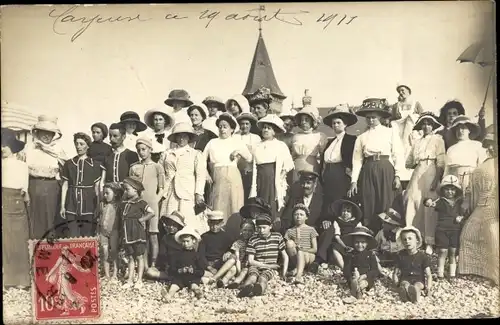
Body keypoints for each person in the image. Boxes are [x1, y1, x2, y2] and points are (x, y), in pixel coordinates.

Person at [348, 98, 404, 233]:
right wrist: (354, 181)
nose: (371, 120)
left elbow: (398, 154)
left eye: (373, 117)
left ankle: (388, 234)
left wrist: (398, 175)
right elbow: (357, 160)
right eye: (368, 117)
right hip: (368, 169)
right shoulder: (361, 137)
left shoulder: (390, 132)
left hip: (385, 168)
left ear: (380, 117)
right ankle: (371, 234)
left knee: (386, 202)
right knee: (369, 201)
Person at [458, 126, 498, 285]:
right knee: (468, 232)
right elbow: (471, 189)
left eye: (493, 144)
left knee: (493, 234)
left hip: (494, 205)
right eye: (488, 144)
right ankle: (474, 270)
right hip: (481, 205)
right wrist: (467, 203)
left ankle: (495, 274)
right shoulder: (482, 165)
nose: (490, 147)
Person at [202, 112, 253, 240]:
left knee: (234, 206)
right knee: (218, 206)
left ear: (231, 129)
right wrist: (206, 174)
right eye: (220, 126)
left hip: (233, 177)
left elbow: (249, 157)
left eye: (225, 126)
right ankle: (217, 238)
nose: (222, 129)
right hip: (217, 177)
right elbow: (202, 160)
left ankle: (235, 238)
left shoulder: (236, 141)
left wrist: (238, 151)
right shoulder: (212, 142)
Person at [405, 112, 446, 255]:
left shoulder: (438, 140)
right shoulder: (417, 142)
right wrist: (416, 162)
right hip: (418, 171)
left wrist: (436, 179)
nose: (426, 126)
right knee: (412, 200)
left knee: (429, 205)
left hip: (431, 170)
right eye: (424, 123)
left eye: (429, 123)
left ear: (433, 125)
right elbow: (408, 162)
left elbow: (441, 161)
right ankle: (415, 238)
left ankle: (430, 241)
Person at [25, 115, 68, 239]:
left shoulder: (58, 150)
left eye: (50, 133)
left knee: (50, 217)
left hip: (51, 187)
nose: (46, 136)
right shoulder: (30, 148)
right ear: (37, 132)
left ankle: (50, 249)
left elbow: (66, 171)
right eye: (44, 132)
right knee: (34, 216)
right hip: (33, 185)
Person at [159, 122, 207, 233]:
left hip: (187, 192)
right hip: (169, 192)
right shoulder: (167, 154)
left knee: (188, 222)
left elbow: (200, 175)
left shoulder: (195, 153)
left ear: (189, 137)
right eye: (179, 136)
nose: (181, 139)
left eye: (184, 136)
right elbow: (160, 172)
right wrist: (161, 190)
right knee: (169, 221)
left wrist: (198, 193)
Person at [250, 114, 294, 230]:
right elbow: (252, 161)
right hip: (260, 178)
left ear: (274, 131)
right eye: (264, 127)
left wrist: (281, 176)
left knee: (272, 205)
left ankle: (273, 230)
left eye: (269, 128)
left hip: (273, 178)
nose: (265, 130)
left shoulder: (280, 145)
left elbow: (289, 163)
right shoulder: (257, 146)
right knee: (259, 203)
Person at [129, 137, 165, 271]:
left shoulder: (157, 167)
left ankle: (154, 265)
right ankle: (144, 265)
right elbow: (131, 187)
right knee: (141, 235)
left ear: (150, 150)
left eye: (144, 149)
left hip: (152, 204)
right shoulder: (134, 167)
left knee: (153, 234)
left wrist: (156, 199)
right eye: (139, 150)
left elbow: (162, 187)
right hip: (138, 204)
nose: (141, 152)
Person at [2, 128, 31, 288]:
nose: (1, 148)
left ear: (12, 146)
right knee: (6, 240)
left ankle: (21, 279)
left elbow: (24, 189)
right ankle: (8, 279)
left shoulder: (21, 165)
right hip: (3, 200)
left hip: (17, 202)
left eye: (4, 145)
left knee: (19, 239)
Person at [424, 175, 466, 280]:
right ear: (443, 190)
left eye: (452, 189)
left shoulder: (459, 202)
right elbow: (429, 203)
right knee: (442, 251)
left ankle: (452, 274)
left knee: (453, 252)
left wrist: (461, 217)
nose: (450, 192)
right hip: (442, 230)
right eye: (447, 189)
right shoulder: (441, 201)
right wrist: (428, 201)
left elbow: (464, 213)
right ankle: (440, 273)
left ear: (456, 191)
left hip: (455, 230)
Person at [60, 133, 102, 238]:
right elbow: (65, 185)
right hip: (71, 204)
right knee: (72, 236)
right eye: (76, 143)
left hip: (89, 204)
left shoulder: (95, 164)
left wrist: (97, 206)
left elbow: (97, 187)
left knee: (87, 235)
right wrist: (62, 206)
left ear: (88, 146)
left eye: (81, 144)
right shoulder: (69, 163)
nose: (78, 146)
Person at [238, 213, 289, 298]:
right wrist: (268, 265)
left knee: (263, 278)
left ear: (270, 226)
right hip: (256, 266)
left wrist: (284, 273)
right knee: (252, 277)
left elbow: (285, 256)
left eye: (264, 228)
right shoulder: (253, 239)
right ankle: (245, 290)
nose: (261, 230)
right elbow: (251, 260)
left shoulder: (277, 237)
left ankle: (259, 290)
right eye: (258, 228)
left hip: (269, 269)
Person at [319, 104, 358, 211]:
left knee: (340, 199)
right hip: (328, 173)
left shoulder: (351, 139)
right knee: (328, 199)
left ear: (345, 124)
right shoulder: (330, 142)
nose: (335, 125)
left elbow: (354, 159)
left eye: (338, 123)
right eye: (333, 123)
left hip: (341, 173)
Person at [121, 176, 155, 289]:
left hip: (137, 234)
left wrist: (142, 220)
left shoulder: (141, 202)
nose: (125, 191)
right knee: (130, 257)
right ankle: (130, 280)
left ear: (135, 190)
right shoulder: (124, 202)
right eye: (125, 189)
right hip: (127, 234)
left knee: (139, 256)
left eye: (127, 189)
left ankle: (139, 280)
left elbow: (151, 212)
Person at [390, 84, 425, 188]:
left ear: (409, 91)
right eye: (399, 91)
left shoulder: (416, 103)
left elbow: (422, 117)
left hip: (412, 130)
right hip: (400, 131)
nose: (401, 92)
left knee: (412, 149)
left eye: (403, 90)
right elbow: (393, 119)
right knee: (400, 150)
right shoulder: (396, 105)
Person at [444, 115, 487, 197]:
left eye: (463, 128)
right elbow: (446, 170)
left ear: (469, 130)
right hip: (453, 183)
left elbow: (482, 166)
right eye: (458, 129)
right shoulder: (451, 149)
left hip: (470, 180)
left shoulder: (477, 145)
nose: (460, 131)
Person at [161, 227, 206, 300]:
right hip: (180, 278)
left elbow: (201, 271)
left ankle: (199, 294)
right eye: (183, 241)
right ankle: (168, 295)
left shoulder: (197, 255)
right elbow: (171, 270)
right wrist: (179, 270)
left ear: (194, 241)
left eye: (188, 241)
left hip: (193, 277)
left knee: (195, 286)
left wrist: (193, 271)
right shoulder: (177, 255)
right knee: (174, 286)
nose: (185, 244)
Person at [45, 246, 91, 315]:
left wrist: (84, 270)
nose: (63, 252)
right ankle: (66, 311)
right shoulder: (61, 258)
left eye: (65, 250)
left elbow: (76, 267)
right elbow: (55, 267)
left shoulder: (71, 258)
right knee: (62, 294)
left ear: (67, 251)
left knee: (68, 294)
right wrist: (48, 275)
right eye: (62, 251)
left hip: (65, 277)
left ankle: (81, 306)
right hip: (60, 277)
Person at [392, 226, 432, 304]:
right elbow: (395, 272)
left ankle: (415, 294)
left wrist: (429, 287)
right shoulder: (400, 255)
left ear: (417, 240)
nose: (407, 241)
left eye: (410, 239)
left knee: (418, 285)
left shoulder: (423, 256)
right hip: (405, 278)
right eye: (404, 239)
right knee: (404, 284)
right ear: (402, 242)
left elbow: (428, 274)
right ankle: (406, 294)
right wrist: (396, 283)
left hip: (418, 279)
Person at [210, 221, 255, 288]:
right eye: (245, 230)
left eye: (250, 230)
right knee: (233, 268)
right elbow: (238, 259)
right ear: (241, 230)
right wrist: (239, 271)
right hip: (239, 265)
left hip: (248, 266)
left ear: (254, 231)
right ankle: (221, 281)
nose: (247, 233)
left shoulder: (255, 242)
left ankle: (233, 283)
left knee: (241, 270)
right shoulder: (238, 243)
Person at [342, 226, 380, 299]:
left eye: (363, 242)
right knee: (354, 281)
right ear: (353, 242)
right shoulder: (350, 255)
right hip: (354, 277)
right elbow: (346, 270)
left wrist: (365, 275)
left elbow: (375, 270)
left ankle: (358, 292)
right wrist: (351, 276)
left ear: (367, 243)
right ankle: (356, 290)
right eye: (357, 242)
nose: (360, 245)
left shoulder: (370, 255)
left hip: (366, 278)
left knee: (363, 283)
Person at [291, 105, 327, 183]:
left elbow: (323, 157)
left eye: (306, 120)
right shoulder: (296, 136)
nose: (303, 122)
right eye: (301, 120)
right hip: (297, 167)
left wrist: (322, 171)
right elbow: (293, 155)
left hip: (312, 167)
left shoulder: (319, 136)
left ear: (312, 121)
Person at [284, 204, 319, 284]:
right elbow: (287, 249)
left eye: (301, 215)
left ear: (306, 217)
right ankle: (297, 267)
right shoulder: (290, 231)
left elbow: (315, 249)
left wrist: (302, 250)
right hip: (295, 257)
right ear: (293, 216)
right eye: (296, 214)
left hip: (309, 255)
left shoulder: (311, 229)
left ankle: (298, 275)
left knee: (300, 252)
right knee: (289, 243)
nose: (298, 217)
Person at [147, 211, 185, 281]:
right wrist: (165, 265)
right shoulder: (165, 238)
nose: (171, 227)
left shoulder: (183, 238)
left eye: (174, 225)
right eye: (169, 224)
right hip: (169, 267)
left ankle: (176, 278)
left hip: (181, 266)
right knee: (150, 272)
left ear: (179, 227)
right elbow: (162, 254)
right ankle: (174, 278)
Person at [198, 211, 233, 283]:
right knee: (198, 273)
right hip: (208, 265)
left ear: (222, 224)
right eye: (212, 224)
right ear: (208, 223)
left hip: (220, 264)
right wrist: (209, 267)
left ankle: (213, 278)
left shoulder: (226, 236)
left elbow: (232, 248)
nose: (214, 227)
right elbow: (201, 255)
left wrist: (229, 251)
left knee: (233, 267)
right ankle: (220, 279)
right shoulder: (204, 237)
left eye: (217, 224)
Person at [234, 111, 261, 205]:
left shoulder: (256, 138)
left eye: (247, 124)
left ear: (250, 125)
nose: (244, 126)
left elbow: (257, 155)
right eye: (242, 124)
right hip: (237, 169)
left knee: (249, 193)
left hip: (250, 170)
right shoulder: (235, 137)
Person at [98, 182, 123, 281]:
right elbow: (99, 217)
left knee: (114, 252)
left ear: (116, 194)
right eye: (104, 193)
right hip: (103, 232)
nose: (105, 195)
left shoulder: (119, 205)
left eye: (107, 193)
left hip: (114, 231)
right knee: (105, 252)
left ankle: (115, 273)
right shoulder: (102, 204)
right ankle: (107, 274)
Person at [329, 199, 364, 270]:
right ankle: (343, 267)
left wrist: (355, 245)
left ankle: (359, 266)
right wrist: (344, 246)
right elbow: (337, 237)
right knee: (334, 248)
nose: (345, 213)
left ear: (352, 213)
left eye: (348, 211)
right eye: (343, 211)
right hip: (342, 243)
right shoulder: (337, 221)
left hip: (354, 243)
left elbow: (359, 235)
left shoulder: (357, 223)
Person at [375, 204, 405, 268]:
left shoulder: (402, 233)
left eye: (385, 223)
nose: (382, 225)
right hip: (384, 258)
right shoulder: (381, 232)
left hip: (399, 258)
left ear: (393, 224)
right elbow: (375, 246)